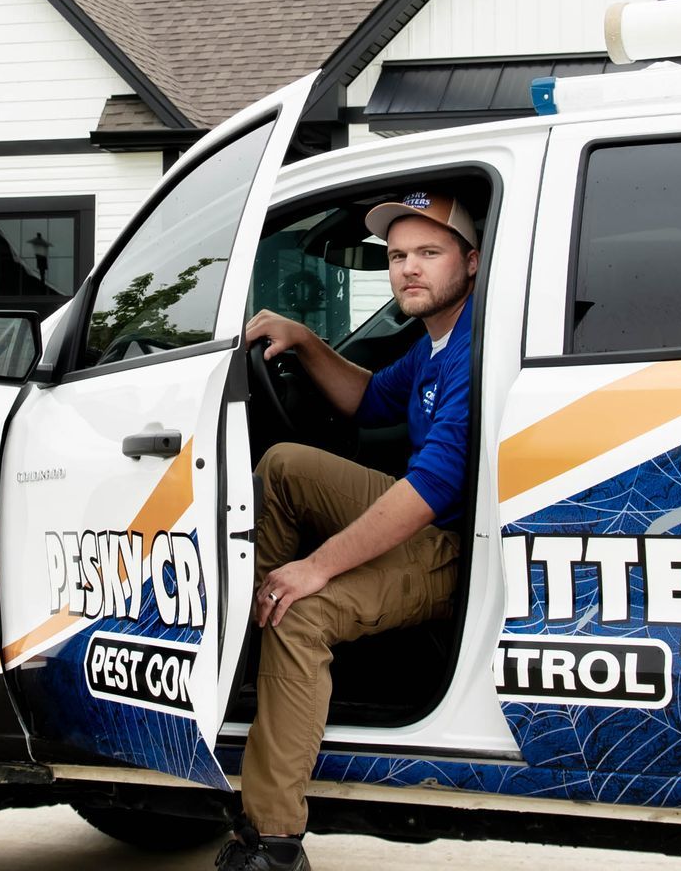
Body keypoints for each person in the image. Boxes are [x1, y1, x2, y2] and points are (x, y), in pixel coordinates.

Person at [219, 191, 479, 871]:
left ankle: (270, 842)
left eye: (430, 252)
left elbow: (431, 491)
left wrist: (315, 568)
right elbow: (367, 398)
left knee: (301, 612)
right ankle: (241, 648)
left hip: (453, 547)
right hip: (428, 520)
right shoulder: (435, 342)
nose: (408, 270)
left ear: (472, 262)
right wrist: (305, 340)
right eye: (397, 257)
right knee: (283, 465)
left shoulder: (476, 346)